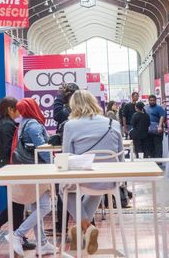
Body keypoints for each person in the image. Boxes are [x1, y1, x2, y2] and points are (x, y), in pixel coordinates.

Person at [62, 90, 123, 254]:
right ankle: (85, 227)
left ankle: (84, 226)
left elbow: (67, 156)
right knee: (96, 190)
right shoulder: (113, 123)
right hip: (110, 180)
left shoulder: (70, 125)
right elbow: (121, 156)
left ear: (73, 105)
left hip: (84, 178)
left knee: (64, 188)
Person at [6, 98, 56, 256]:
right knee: (44, 207)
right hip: (40, 169)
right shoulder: (34, 125)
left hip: (30, 168)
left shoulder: (24, 123)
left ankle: (42, 243)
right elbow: (43, 149)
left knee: (37, 206)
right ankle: (18, 235)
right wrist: (54, 165)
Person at [0, 97, 35, 251]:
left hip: (4, 166)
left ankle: (13, 235)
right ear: (10, 109)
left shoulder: (2, 123)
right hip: (9, 167)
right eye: (17, 108)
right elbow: (9, 149)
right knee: (17, 203)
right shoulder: (8, 125)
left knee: (17, 204)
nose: (19, 111)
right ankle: (8, 233)